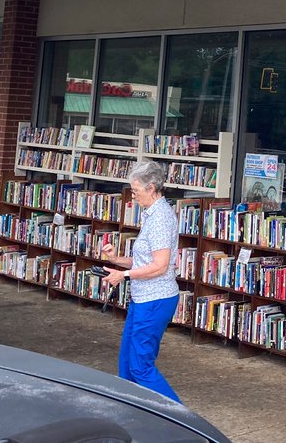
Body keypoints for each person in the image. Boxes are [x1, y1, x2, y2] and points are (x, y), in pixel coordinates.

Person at [100, 160, 181, 402]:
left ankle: (181, 420)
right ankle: (136, 413)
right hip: (144, 298)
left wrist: (122, 275)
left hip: (155, 299)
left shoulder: (159, 219)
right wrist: (117, 260)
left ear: (152, 188)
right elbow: (144, 261)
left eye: (136, 191)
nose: (133, 196)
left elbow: (160, 266)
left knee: (140, 367)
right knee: (127, 365)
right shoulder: (151, 214)